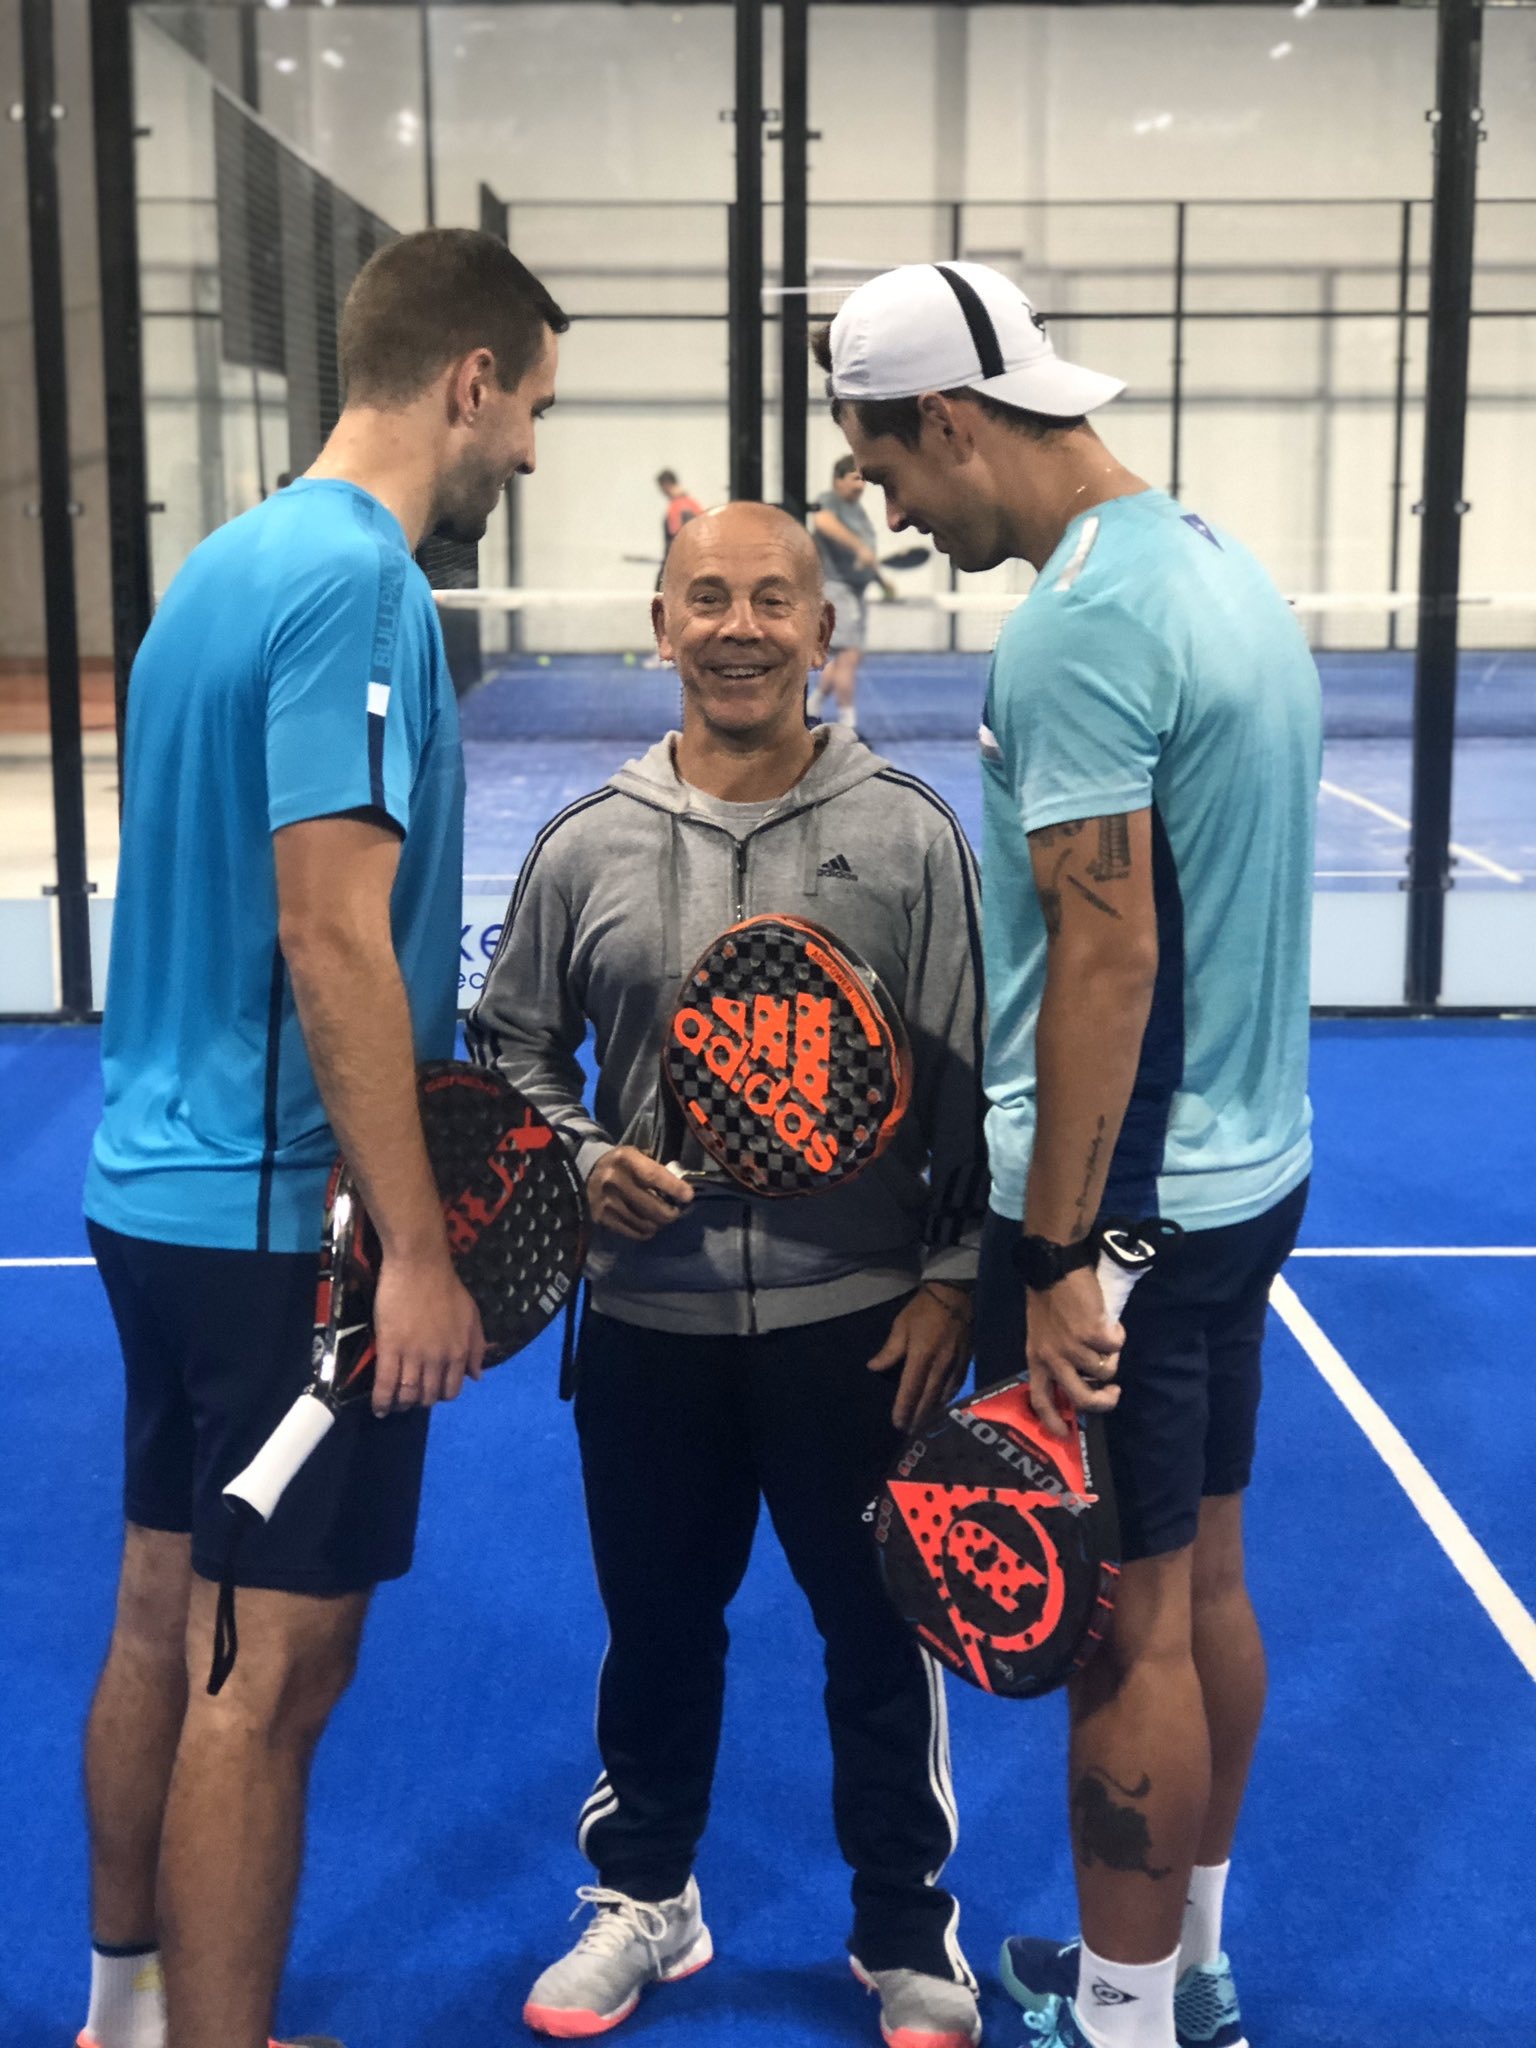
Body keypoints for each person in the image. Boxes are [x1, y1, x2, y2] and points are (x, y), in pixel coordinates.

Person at [818, 261, 1318, 2048]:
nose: (888, 511)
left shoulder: (1081, 622)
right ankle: (1183, 1964)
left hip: (1132, 1214)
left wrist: (1057, 1250)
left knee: (1123, 1627)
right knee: (1209, 1583)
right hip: (1249, 1167)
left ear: (953, 418)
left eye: (885, 468)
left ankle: (1117, 2022)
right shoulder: (1212, 560)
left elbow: (1106, 952)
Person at [79, 229, 566, 2048]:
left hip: (157, 1187)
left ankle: (129, 2008)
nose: (528, 453)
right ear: (469, 378)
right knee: (271, 1667)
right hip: (288, 1222)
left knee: (159, 1609)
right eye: (531, 409)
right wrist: (418, 1245)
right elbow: (328, 929)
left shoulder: (219, 566)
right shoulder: (359, 581)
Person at [468, 501, 989, 2048]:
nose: (742, 626)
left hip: (859, 1331)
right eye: (710, 599)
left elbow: (977, 1083)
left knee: (878, 1634)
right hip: (647, 1331)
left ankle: (903, 1930)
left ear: (827, 634)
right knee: (658, 1630)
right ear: (662, 624)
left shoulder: (908, 833)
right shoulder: (588, 843)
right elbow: (505, 1052)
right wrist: (572, 1164)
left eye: (775, 599)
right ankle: (650, 1898)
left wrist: (956, 1280)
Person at [808, 453, 890, 729]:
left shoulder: (858, 511)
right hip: (837, 590)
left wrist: (881, 580)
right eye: (855, 478)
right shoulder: (830, 501)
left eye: (863, 480)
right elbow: (823, 524)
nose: (860, 485)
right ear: (838, 480)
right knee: (848, 656)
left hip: (855, 592)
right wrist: (858, 547)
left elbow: (867, 556)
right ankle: (848, 723)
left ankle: (814, 704)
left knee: (846, 656)